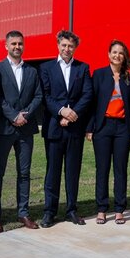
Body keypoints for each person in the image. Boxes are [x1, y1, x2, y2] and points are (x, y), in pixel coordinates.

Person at [0, 30, 43, 232]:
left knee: (25, 173)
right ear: (6, 46)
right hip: (4, 128)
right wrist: (13, 116)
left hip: (26, 129)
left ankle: (23, 213)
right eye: (13, 44)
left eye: (20, 43)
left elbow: (38, 96)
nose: (17, 47)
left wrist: (25, 115)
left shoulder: (32, 71)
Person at [39, 30, 93, 227]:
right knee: (52, 172)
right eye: (64, 45)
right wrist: (61, 111)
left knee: (72, 171)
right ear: (58, 45)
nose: (67, 49)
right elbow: (45, 95)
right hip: (54, 128)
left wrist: (72, 114)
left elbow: (87, 94)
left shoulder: (82, 68)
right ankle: (49, 212)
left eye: (71, 46)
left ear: (75, 48)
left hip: (75, 128)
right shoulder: (46, 68)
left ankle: (71, 210)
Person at [86, 40, 130, 224]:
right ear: (108, 54)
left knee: (120, 169)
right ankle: (101, 209)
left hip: (123, 128)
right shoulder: (99, 74)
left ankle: (120, 209)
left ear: (124, 57)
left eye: (121, 53)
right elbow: (92, 103)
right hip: (103, 127)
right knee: (102, 168)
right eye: (114, 52)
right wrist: (90, 128)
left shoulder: (129, 77)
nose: (117, 55)